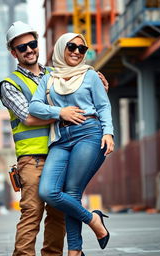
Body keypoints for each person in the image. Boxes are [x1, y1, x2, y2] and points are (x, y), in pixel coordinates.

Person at [29, 33, 114, 256]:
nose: (77, 51)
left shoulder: (90, 75)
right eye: (71, 46)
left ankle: (74, 252)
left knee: (72, 191)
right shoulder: (50, 78)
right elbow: (34, 106)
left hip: (89, 133)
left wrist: (109, 133)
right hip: (60, 139)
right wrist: (60, 112)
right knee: (48, 191)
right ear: (60, 48)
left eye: (82, 49)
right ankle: (93, 219)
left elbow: (103, 106)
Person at [0, 21, 65, 256]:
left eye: (32, 44)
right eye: (22, 47)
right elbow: (28, 117)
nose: (29, 50)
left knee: (59, 214)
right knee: (32, 213)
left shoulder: (54, 74)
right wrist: (62, 114)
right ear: (13, 52)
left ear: (38, 45)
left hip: (60, 153)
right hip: (32, 160)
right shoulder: (10, 84)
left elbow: (78, 98)